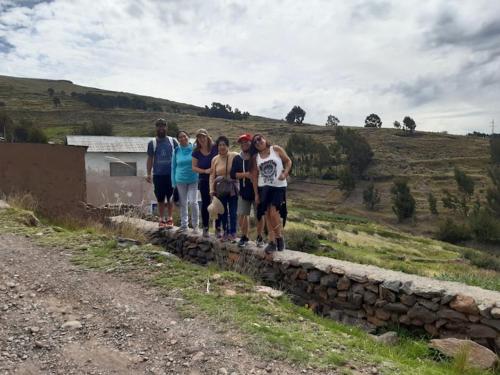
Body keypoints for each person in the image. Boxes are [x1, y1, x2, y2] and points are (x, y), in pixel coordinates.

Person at [250, 134, 292, 253]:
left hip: (278, 186)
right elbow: (254, 176)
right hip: (264, 187)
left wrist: (285, 173)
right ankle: (272, 242)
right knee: (268, 214)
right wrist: (256, 194)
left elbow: (288, 161)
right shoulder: (255, 157)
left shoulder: (276, 149)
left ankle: (279, 237)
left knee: (274, 212)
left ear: (265, 139)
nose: (258, 142)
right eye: (255, 142)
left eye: (259, 139)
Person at [230, 133, 265, 248]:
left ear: (251, 143)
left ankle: (259, 237)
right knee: (241, 215)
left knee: (259, 215)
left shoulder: (257, 156)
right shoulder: (237, 158)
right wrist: (246, 174)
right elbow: (233, 175)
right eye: (242, 142)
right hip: (243, 191)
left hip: (259, 191)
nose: (244, 144)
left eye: (247, 142)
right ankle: (244, 237)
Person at [146, 118, 178, 228]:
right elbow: (150, 159)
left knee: (170, 198)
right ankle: (161, 219)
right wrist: (148, 173)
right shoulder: (152, 143)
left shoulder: (172, 141)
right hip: (158, 175)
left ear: (166, 127)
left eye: (163, 126)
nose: (161, 128)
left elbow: (179, 155)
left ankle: (169, 218)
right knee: (160, 198)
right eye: (159, 126)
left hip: (171, 175)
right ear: (156, 128)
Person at [210, 136, 238, 241]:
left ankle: (233, 232)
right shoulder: (215, 159)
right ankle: (225, 232)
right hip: (220, 189)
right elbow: (212, 176)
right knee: (223, 211)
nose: (222, 147)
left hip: (232, 188)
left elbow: (240, 168)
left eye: (224, 145)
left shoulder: (235, 156)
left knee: (233, 211)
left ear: (228, 146)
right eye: (220, 145)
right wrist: (211, 190)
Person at [192, 129, 218, 237]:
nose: (201, 139)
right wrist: (205, 171)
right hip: (204, 180)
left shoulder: (215, 148)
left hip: (217, 180)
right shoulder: (196, 152)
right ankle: (206, 228)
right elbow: (193, 167)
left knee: (218, 203)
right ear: (197, 139)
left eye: (203, 136)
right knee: (205, 204)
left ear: (207, 136)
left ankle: (219, 228)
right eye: (199, 137)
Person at [172, 130, 199, 232]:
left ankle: (196, 226)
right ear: (178, 140)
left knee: (193, 202)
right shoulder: (176, 150)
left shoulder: (194, 149)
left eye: (184, 136)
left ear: (188, 137)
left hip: (193, 179)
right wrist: (173, 182)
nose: (183, 138)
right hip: (180, 180)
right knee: (183, 203)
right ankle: (184, 225)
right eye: (180, 137)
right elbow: (173, 167)